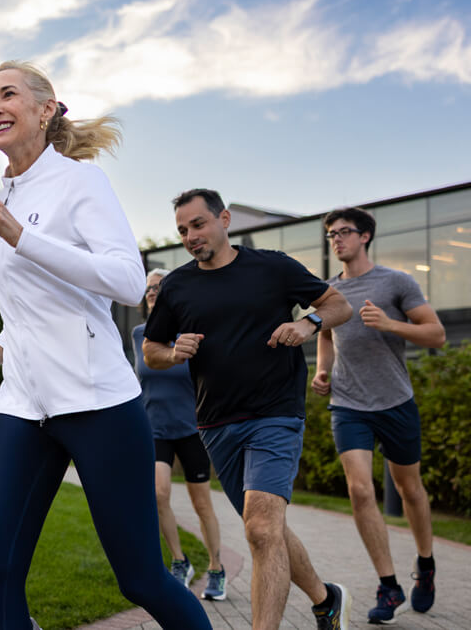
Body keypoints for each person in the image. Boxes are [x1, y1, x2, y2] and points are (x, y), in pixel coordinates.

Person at [0, 61, 210, 630]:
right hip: (23, 403)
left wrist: (21, 235)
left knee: (140, 576)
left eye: (8, 94)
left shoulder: (78, 181)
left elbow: (122, 280)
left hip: (96, 402)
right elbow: (36, 310)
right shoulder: (5, 195)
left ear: (46, 109)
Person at [142, 189, 354, 630]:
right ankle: (325, 599)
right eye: (182, 230)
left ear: (224, 219)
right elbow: (150, 350)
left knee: (259, 528)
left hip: (275, 412)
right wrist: (173, 351)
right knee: (267, 530)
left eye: (198, 224)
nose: (190, 236)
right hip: (216, 423)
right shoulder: (177, 286)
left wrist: (305, 323)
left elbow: (338, 305)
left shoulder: (272, 267)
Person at [313, 207, 445, 624]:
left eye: (344, 232)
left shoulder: (396, 282)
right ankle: (388, 586)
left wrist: (390, 324)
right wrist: (321, 369)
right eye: (332, 235)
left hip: (395, 401)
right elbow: (327, 335)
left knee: (410, 490)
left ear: (365, 236)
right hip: (349, 404)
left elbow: (437, 335)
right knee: (359, 489)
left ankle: (425, 565)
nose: (337, 240)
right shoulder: (328, 290)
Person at [133, 268, 226, 601]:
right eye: (149, 290)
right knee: (158, 496)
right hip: (154, 428)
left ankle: (216, 568)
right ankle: (179, 561)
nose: (154, 292)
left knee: (202, 504)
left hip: (193, 430)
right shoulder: (140, 334)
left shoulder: (191, 334)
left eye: (159, 287)